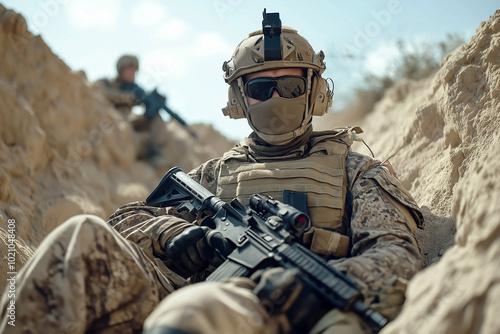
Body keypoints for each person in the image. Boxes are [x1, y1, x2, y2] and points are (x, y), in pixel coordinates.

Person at [0, 10, 423, 334]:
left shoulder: (355, 171)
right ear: (241, 100)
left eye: (291, 86)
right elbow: (125, 220)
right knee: (78, 237)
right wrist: (174, 235)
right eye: (260, 88)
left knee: (192, 312)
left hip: (286, 312)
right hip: (188, 290)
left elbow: (398, 255)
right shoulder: (216, 173)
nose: (276, 97)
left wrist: (311, 284)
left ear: (314, 92)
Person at [95, 55, 167, 165]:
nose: (132, 74)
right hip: (107, 123)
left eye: (134, 71)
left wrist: (151, 105)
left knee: (156, 117)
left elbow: (142, 103)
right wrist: (126, 97)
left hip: (127, 123)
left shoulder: (136, 88)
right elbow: (98, 91)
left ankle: (153, 152)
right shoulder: (107, 83)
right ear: (121, 70)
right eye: (129, 70)